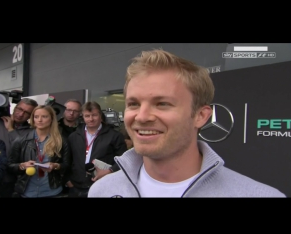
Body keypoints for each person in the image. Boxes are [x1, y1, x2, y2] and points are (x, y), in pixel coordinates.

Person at [88, 49, 286, 198]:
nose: (141, 116)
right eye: (133, 104)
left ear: (201, 116)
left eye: (162, 103)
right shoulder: (102, 191)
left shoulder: (258, 195)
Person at [66, 101, 127, 198]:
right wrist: (68, 180)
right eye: (87, 116)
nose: (91, 119)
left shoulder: (114, 136)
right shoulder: (73, 136)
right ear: (83, 117)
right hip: (76, 188)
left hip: (103, 185)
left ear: (100, 115)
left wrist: (110, 171)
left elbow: (124, 160)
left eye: (94, 115)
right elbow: (68, 161)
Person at [7, 105, 70, 198]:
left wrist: (56, 166)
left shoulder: (61, 140)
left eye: (44, 116)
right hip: (28, 192)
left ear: (52, 119)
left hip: (52, 192)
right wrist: (22, 165)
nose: (40, 120)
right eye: (36, 117)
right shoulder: (21, 140)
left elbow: (67, 165)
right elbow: (9, 165)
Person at [0, 98, 38, 198]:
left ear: (31, 116)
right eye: (19, 109)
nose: (21, 114)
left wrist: (11, 130)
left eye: (26, 112)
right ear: (14, 107)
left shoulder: (31, 132)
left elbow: (22, 149)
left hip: (12, 179)